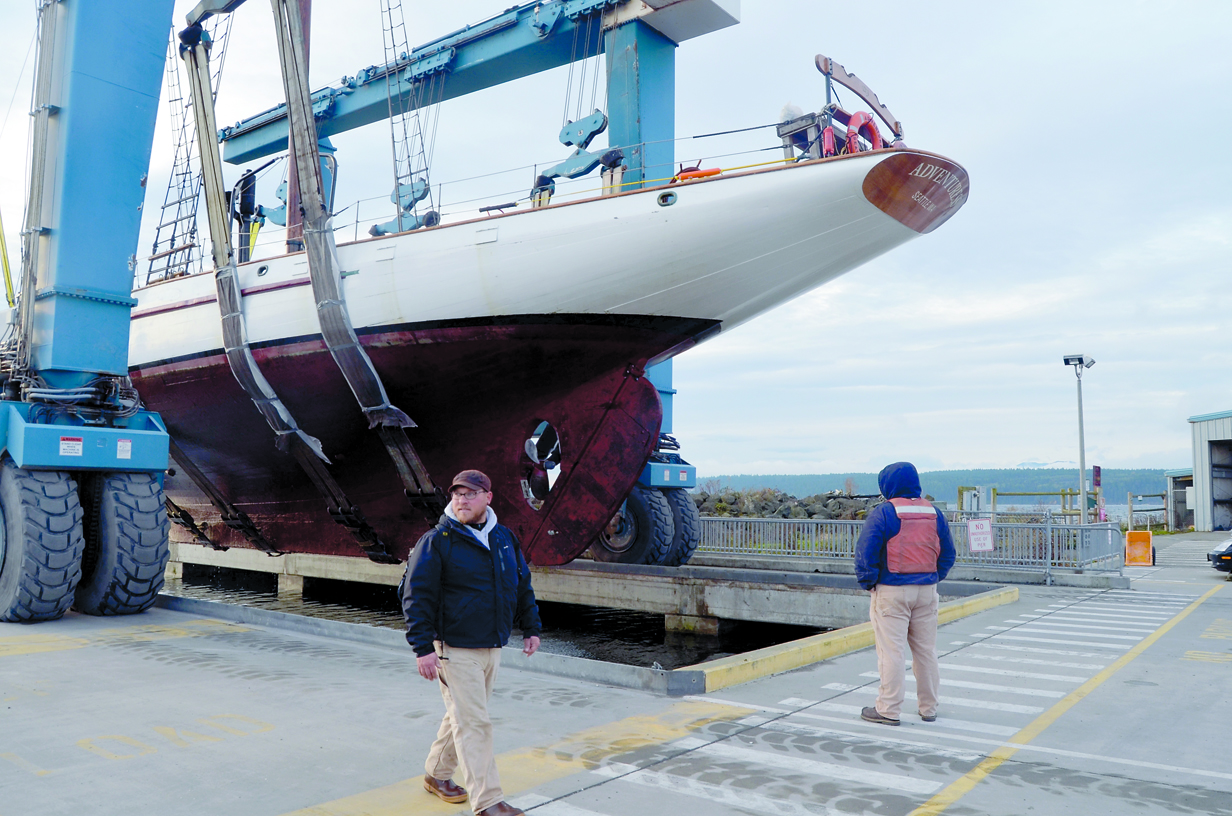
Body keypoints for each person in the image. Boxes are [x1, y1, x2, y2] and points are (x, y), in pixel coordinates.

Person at [402, 469, 542, 816]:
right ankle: (488, 802)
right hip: (454, 648)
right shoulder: (437, 540)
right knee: (475, 724)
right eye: (457, 494)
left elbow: (521, 584)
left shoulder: (504, 538)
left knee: (463, 717)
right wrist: (422, 649)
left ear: (488, 498)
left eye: (470, 494)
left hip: (492, 644)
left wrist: (532, 628)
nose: (462, 500)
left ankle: (436, 775)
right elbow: (415, 595)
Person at [854, 461, 956, 726]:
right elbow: (948, 554)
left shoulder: (884, 513)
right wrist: (933, 577)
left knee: (892, 652)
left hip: (892, 590)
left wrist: (870, 583)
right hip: (927, 590)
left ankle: (888, 709)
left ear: (888, 486)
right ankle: (929, 708)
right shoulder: (934, 513)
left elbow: (866, 553)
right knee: (926, 651)